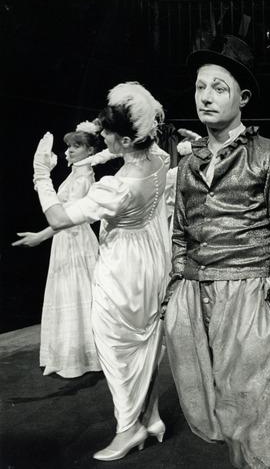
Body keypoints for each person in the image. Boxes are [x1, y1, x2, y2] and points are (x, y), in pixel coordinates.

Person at [162, 35, 270, 469]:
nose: (205, 97)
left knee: (258, 410)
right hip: (195, 294)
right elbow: (180, 231)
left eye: (218, 88)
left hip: (250, 294)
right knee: (213, 405)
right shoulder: (188, 164)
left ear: (242, 98)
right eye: (200, 87)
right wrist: (175, 290)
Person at [29, 82, 171, 460]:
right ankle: (151, 417)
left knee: (115, 348)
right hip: (152, 259)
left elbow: (59, 218)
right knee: (146, 343)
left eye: (108, 133)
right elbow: (121, 146)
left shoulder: (117, 187)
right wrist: (99, 145)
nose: (101, 136)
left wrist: (41, 175)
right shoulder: (159, 160)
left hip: (123, 267)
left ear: (125, 140)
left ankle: (128, 429)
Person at [12, 121, 102, 378]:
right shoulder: (75, 174)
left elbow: (66, 218)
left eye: (77, 146)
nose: (69, 151)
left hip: (75, 239)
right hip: (66, 239)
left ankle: (83, 356)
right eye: (69, 146)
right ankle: (73, 352)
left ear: (90, 151)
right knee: (69, 292)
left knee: (77, 291)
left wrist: (40, 236)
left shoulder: (83, 177)